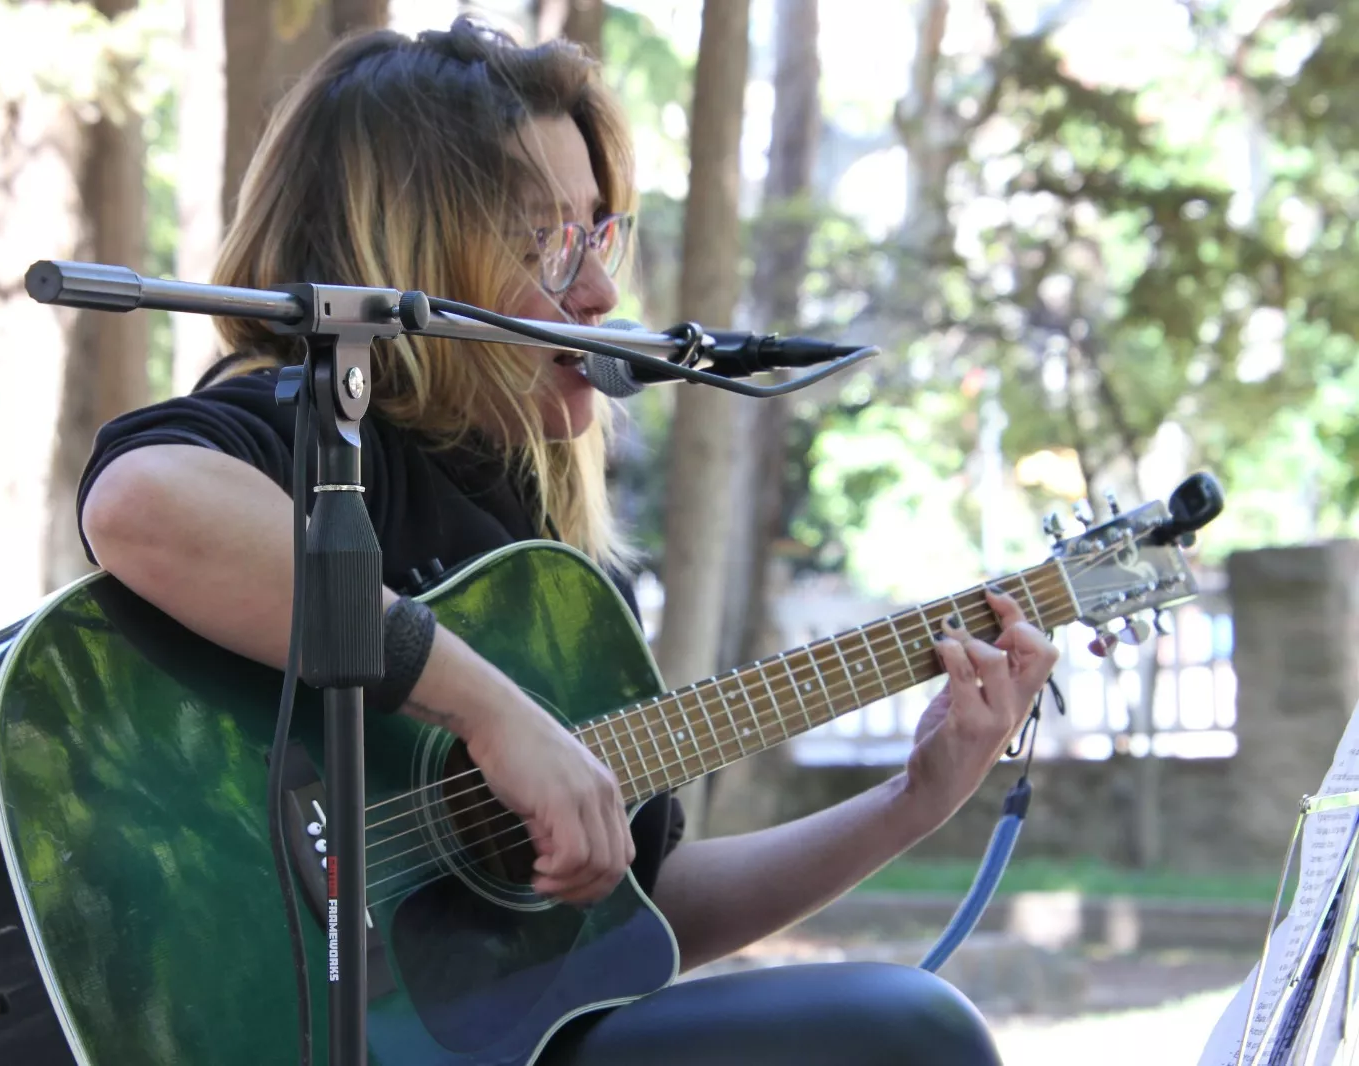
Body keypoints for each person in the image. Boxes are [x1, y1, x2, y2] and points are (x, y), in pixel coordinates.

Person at [77, 19, 1058, 1066]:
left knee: (894, 1031)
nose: (599, 295)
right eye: (548, 241)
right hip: (260, 1031)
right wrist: (492, 713)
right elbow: (142, 500)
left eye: (601, 234)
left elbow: (644, 907)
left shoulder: (544, 565)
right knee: (911, 1035)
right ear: (402, 255)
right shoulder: (322, 435)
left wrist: (913, 800)